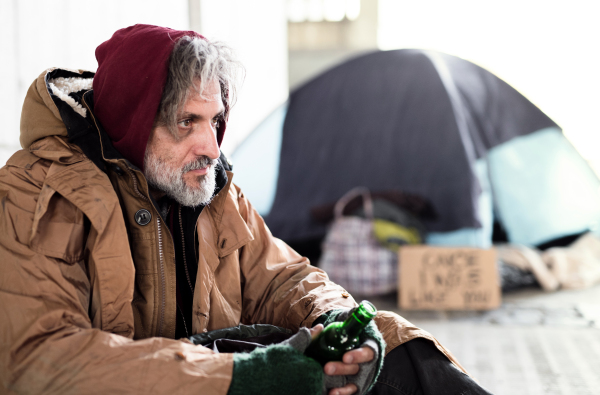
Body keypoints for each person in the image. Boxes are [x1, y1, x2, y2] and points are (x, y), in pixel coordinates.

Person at [0, 24, 492, 395]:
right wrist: (238, 377)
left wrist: (342, 321)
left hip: (207, 374)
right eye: (186, 121)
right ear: (130, 122)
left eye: (214, 121)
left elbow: (281, 278)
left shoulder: (212, 188)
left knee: (402, 360)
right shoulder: (34, 196)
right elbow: (38, 360)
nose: (211, 146)